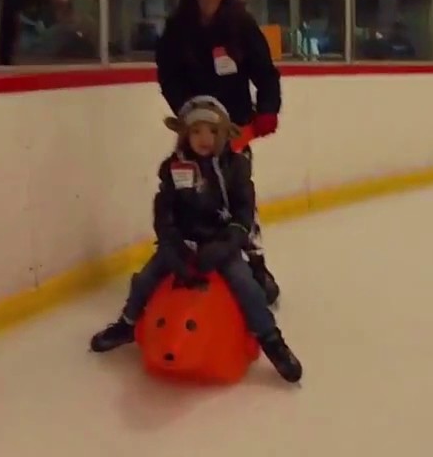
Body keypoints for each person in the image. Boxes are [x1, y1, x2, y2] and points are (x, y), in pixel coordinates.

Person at [89, 96, 303, 383]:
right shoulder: (173, 168)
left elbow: (244, 212)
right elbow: (164, 210)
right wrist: (170, 243)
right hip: (183, 242)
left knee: (245, 284)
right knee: (146, 277)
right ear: (185, 135)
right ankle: (127, 323)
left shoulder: (236, 167)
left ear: (225, 134)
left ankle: (270, 339)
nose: (204, 139)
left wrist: (227, 244)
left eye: (212, 132)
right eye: (196, 131)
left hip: (221, 242)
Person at [154, 0, 283, 304]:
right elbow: (168, 76)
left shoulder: (240, 23)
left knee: (239, 195)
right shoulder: (177, 28)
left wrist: (267, 110)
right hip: (195, 131)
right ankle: (182, 254)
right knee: (188, 193)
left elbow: (265, 72)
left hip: (235, 131)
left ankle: (255, 261)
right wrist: (187, 114)